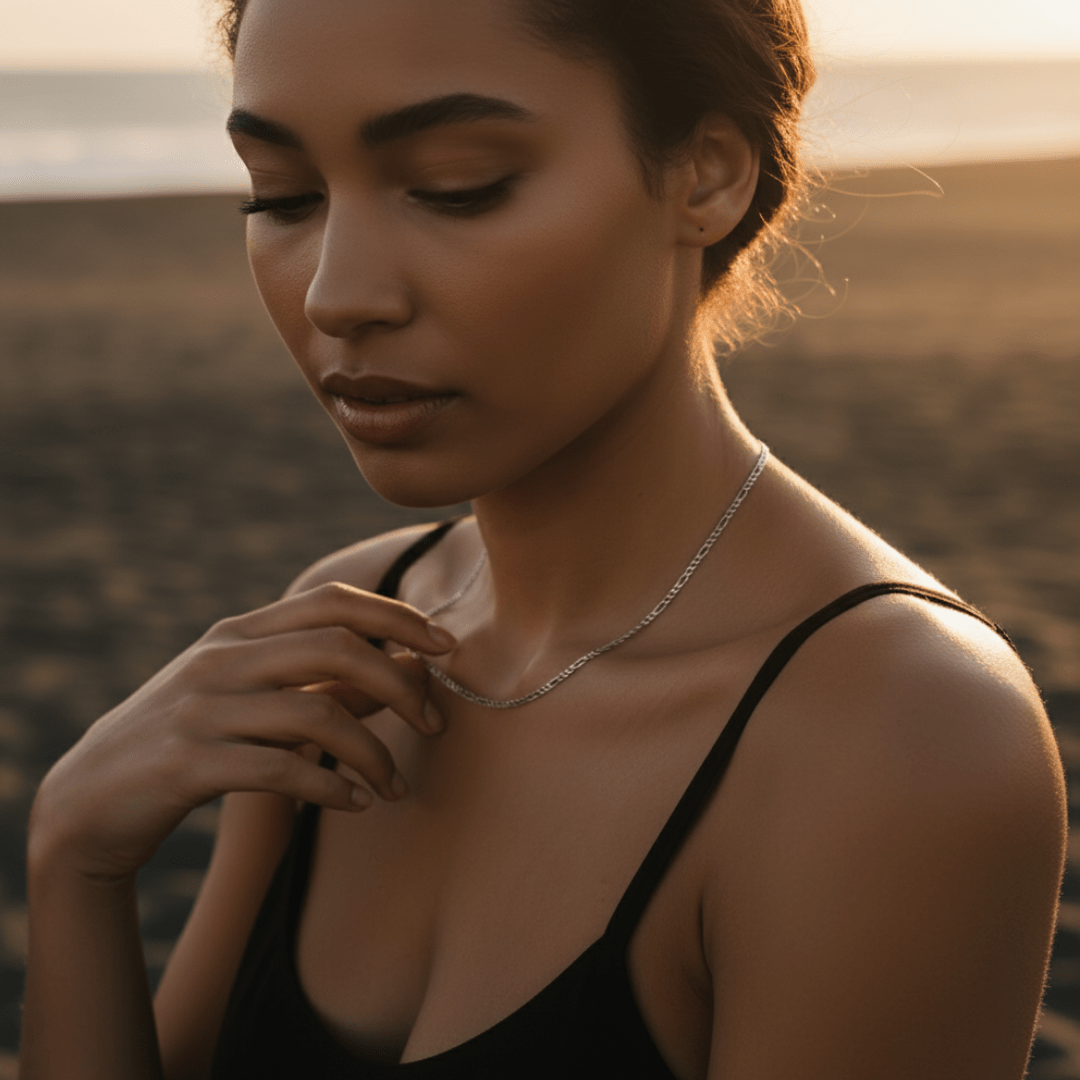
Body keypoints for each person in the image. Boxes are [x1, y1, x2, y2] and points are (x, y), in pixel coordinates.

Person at [20, 0, 1067, 1077]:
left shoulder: (900, 733)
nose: (339, 294)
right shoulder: (349, 631)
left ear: (705, 175)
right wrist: (74, 863)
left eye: (455, 185)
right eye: (285, 196)